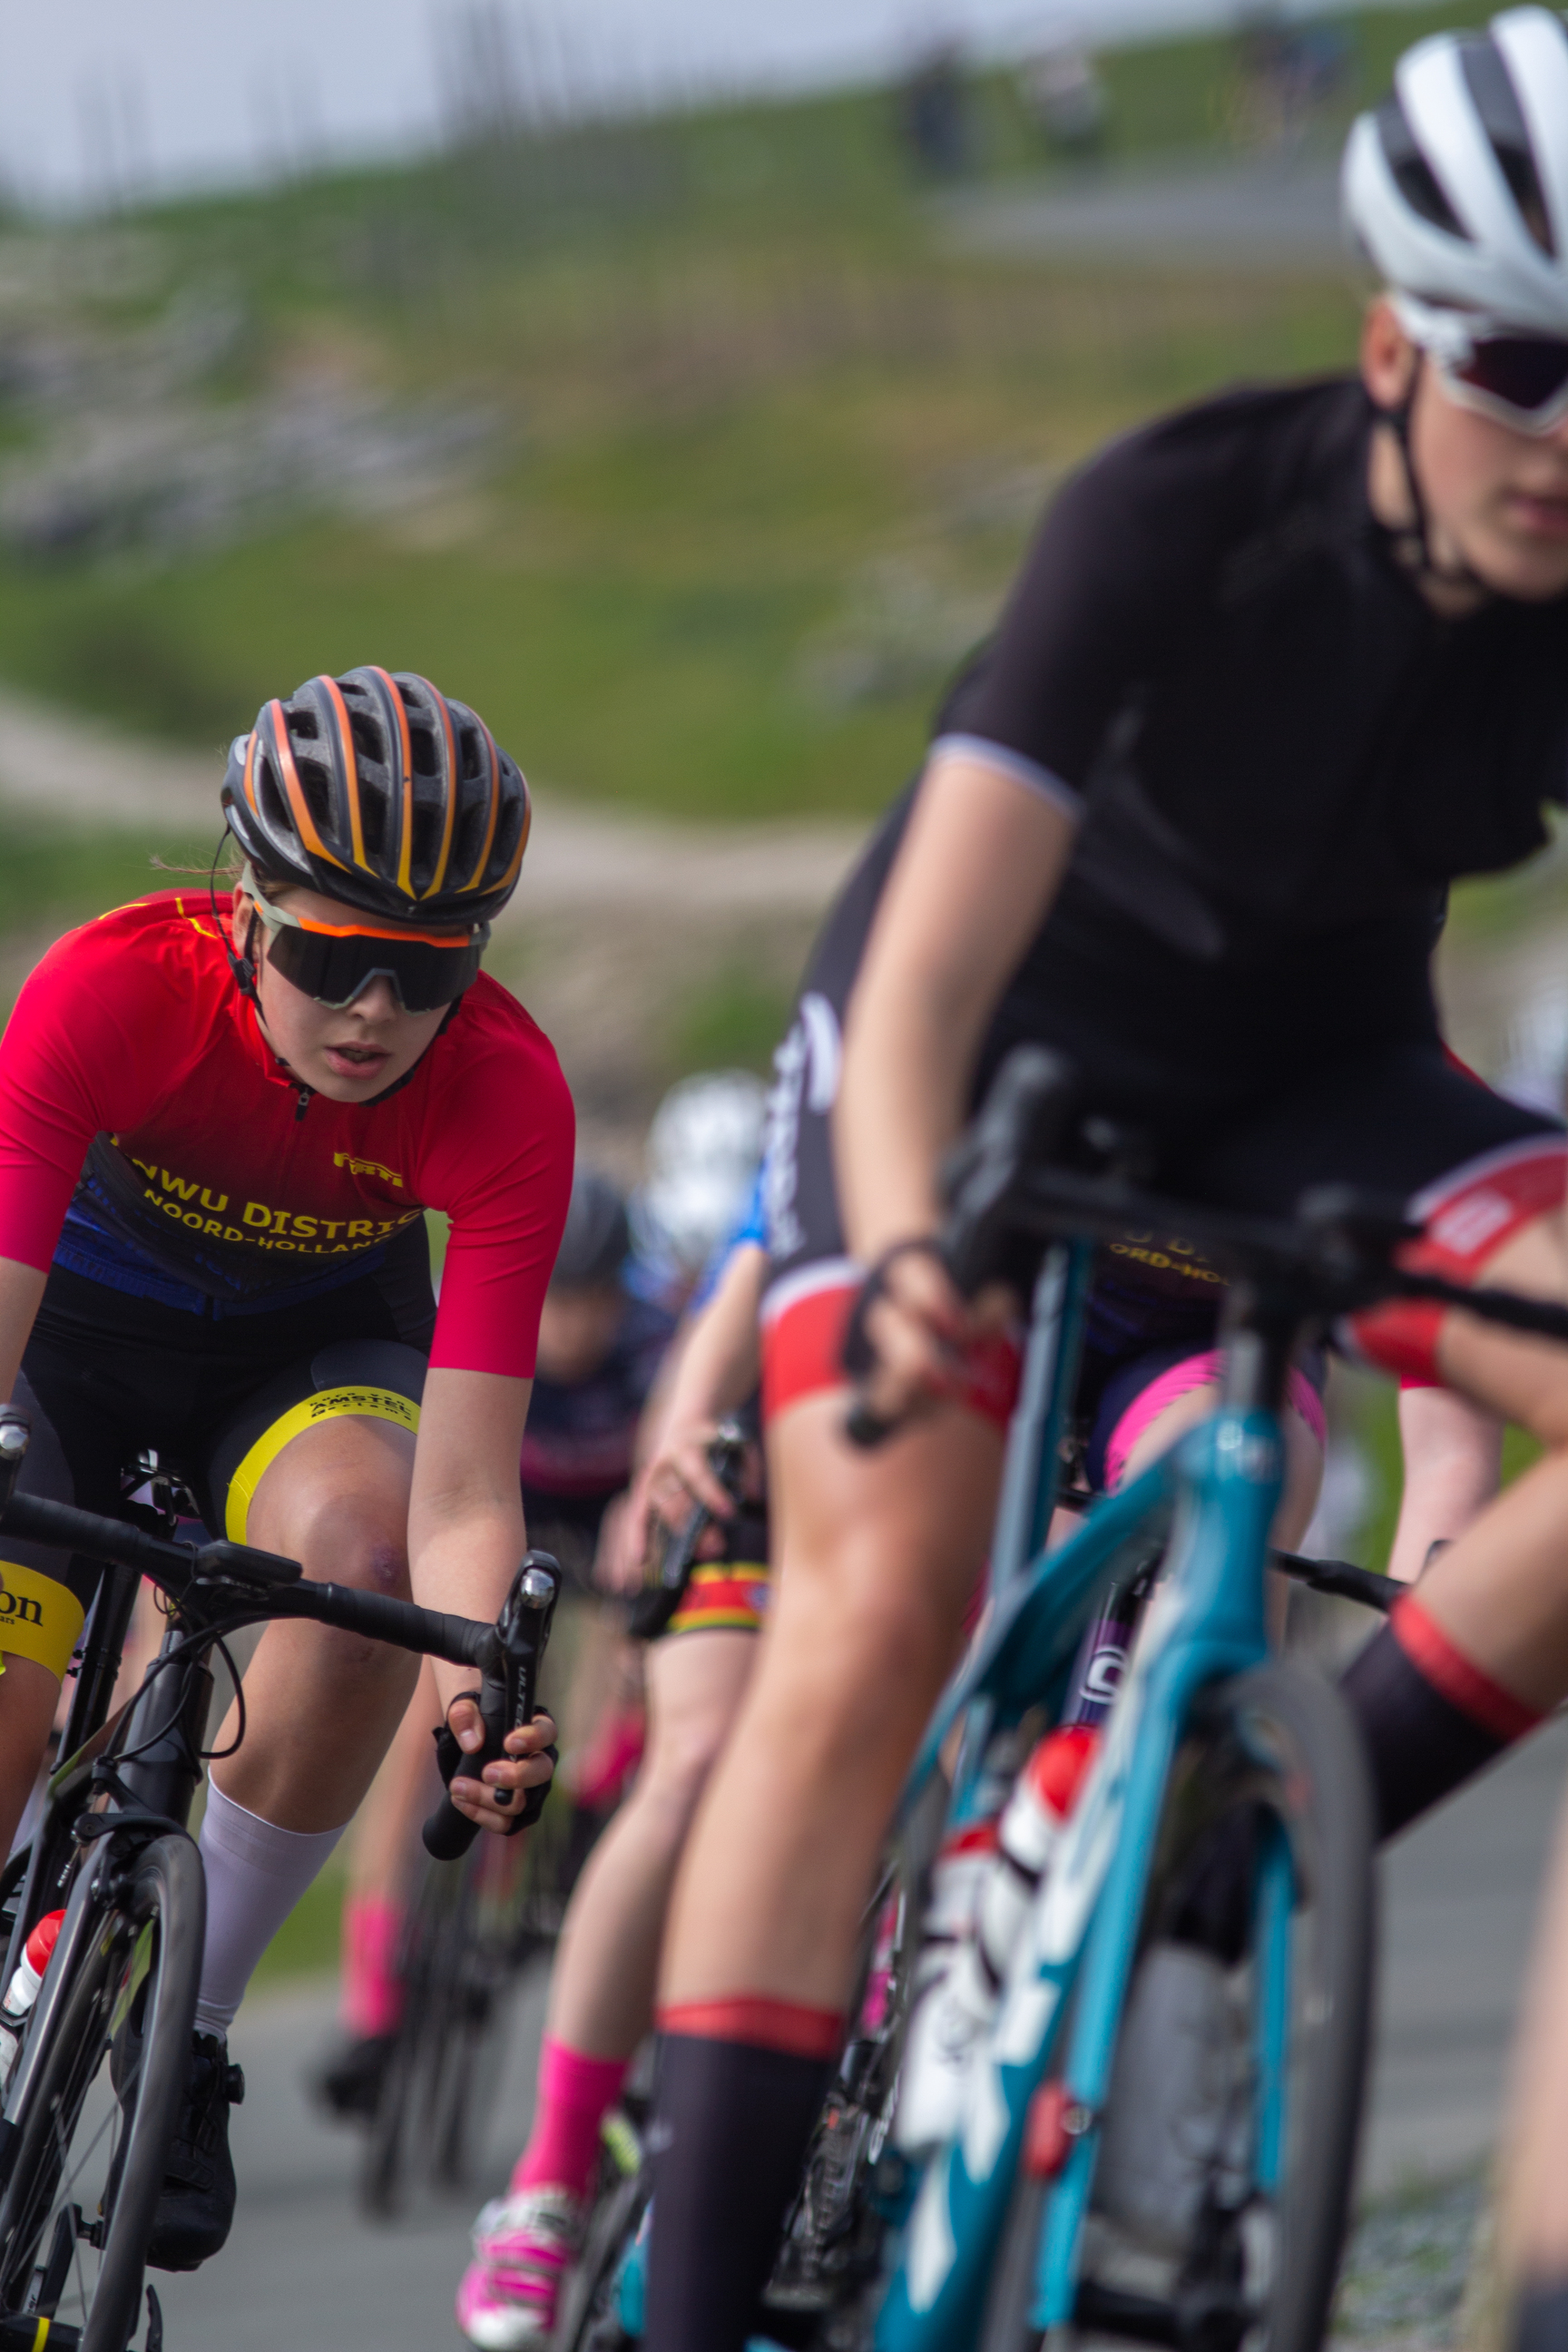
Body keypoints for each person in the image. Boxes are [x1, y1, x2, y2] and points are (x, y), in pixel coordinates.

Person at [637, 16, 1568, 2347]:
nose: (1561, 442)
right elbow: (934, 947)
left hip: (1317, 1073)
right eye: (1516, 366)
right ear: (1386, 342)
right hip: (990, 1056)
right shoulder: (1165, 516)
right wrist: (912, 1249)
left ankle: (1225, 1849)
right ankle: (686, 2299)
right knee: (869, 1605)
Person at [0, 665, 573, 2270]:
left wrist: (479, 1694)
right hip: (74, 1339)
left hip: (305, 1356)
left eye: (425, 972)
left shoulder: (510, 1092)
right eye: (332, 957)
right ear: (244, 907)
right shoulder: (108, 990)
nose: (375, 1012)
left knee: (370, 1581)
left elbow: (462, 1494)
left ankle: (187, 2036)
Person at [455, 1182, 769, 2348]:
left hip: (990, 1463)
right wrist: (668, 1463)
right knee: (689, 1765)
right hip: (778, 1459)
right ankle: (550, 2176)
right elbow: (752, 1276)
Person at [316, 1165, 675, 2121]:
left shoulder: (651, 1352)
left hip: (604, 1522)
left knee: (631, 1652)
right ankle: (373, 2003)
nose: (577, 1324)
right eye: (562, 1299)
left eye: (597, 1299)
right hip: (509, 1510)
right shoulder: (485, 1331)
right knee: (432, 1731)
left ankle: (577, 1813)